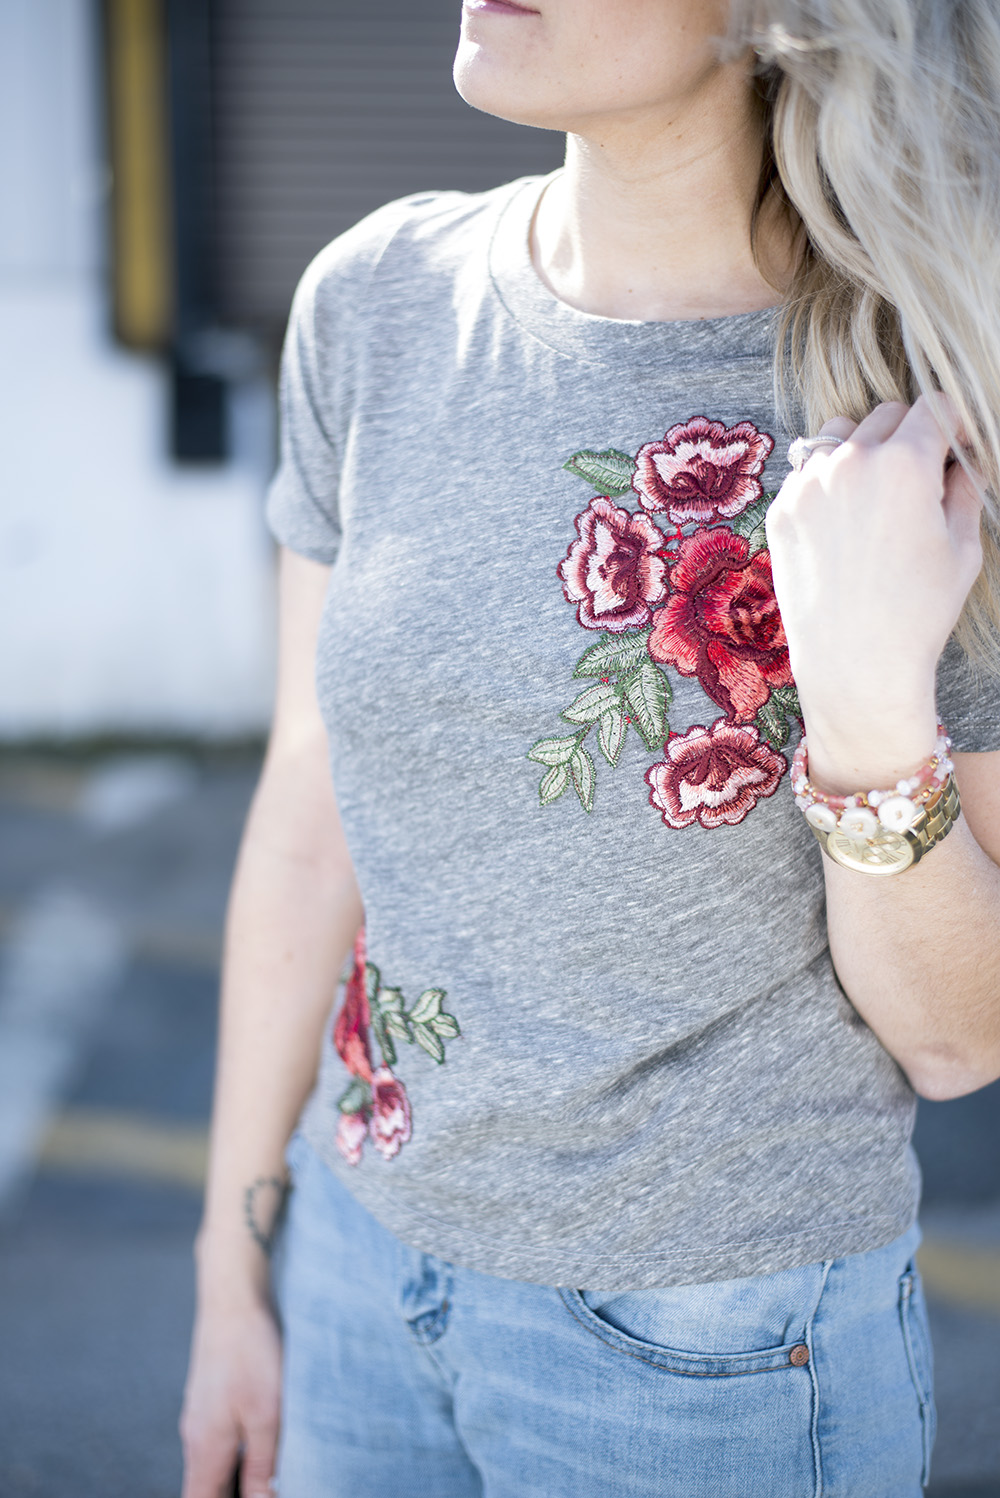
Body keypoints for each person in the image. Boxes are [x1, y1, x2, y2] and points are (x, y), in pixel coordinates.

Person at [180, 2, 1000, 1495]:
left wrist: (874, 704)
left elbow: (960, 1035)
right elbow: (312, 802)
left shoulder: (921, 402)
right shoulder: (374, 301)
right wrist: (234, 1259)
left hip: (716, 1348)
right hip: (361, 1274)